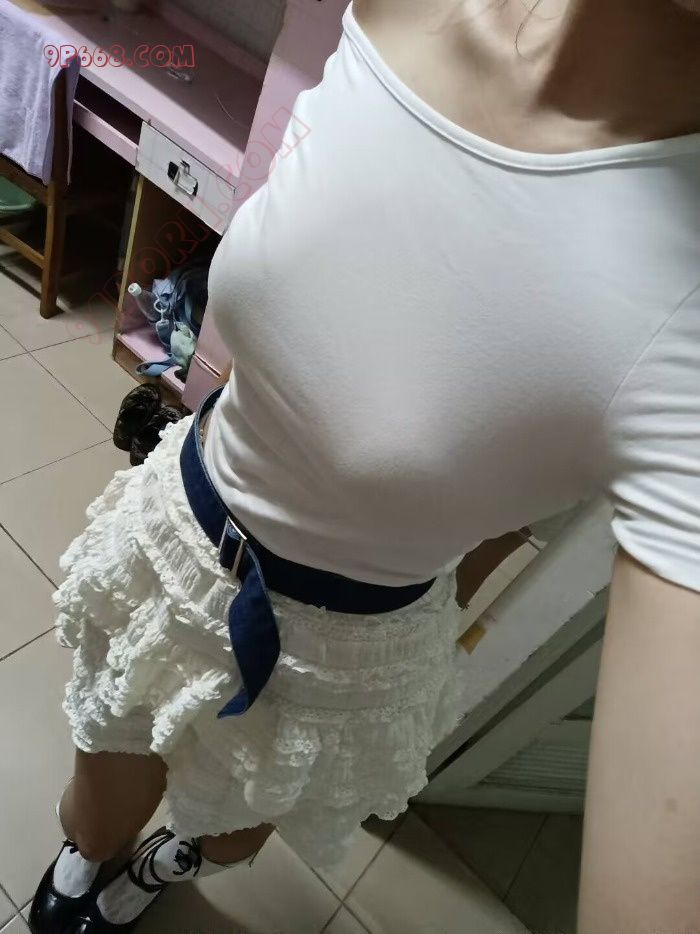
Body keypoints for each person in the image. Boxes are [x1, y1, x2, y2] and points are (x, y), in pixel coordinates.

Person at [29, 1, 700, 932]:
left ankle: (170, 859)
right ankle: (91, 853)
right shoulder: (396, 12)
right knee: (96, 800)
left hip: (348, 655)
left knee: (226, 834)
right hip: (180, 534)